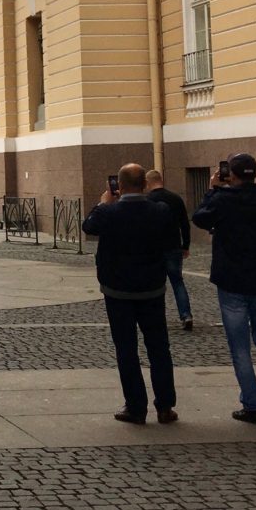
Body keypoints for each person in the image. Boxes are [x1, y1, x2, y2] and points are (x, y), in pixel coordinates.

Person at [83, 163, 178, 425]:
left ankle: (136, 407)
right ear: (145, 185)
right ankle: (165, 406)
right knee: (159, 348)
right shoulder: (160, 210)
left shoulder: (110, 212)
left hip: (118, 291)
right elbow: (171, 241)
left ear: (119, 187)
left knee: (126, 349)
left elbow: (88, 226)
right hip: (152, 288)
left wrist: (103, 204)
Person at [191, 153, 256, 423]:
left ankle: (253, 403)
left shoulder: (222, 199)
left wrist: (212, 191)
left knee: (239, 347)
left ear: (230, 174)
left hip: (231, 280)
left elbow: (199, 219)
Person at [145, 169, 193, 330]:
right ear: (161, 179)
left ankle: (157, 318)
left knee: (155, 285)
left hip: (154, 249)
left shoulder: (148, 200)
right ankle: (186, 314)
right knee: (178, 282)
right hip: (173, 246)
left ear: (147, 182)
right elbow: (185, 224)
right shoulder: (175, 198)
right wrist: (185, 245)